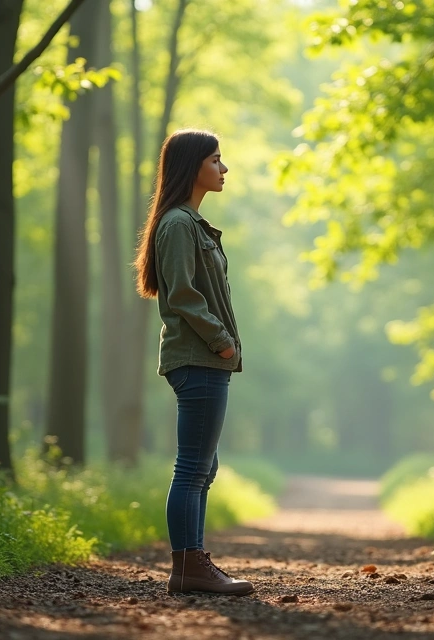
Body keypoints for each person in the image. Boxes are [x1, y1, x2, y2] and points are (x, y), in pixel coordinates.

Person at [133, 129, 253, 596]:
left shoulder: (187, 222)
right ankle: (188, 568)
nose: (224, 169)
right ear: (193, 166)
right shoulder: (180, 224)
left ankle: (193, 563)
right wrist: (222, 341)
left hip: (202, 359)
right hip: (199, 357)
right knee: (192, 468)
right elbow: (183, 294)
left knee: (203, 467)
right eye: (217, 160)